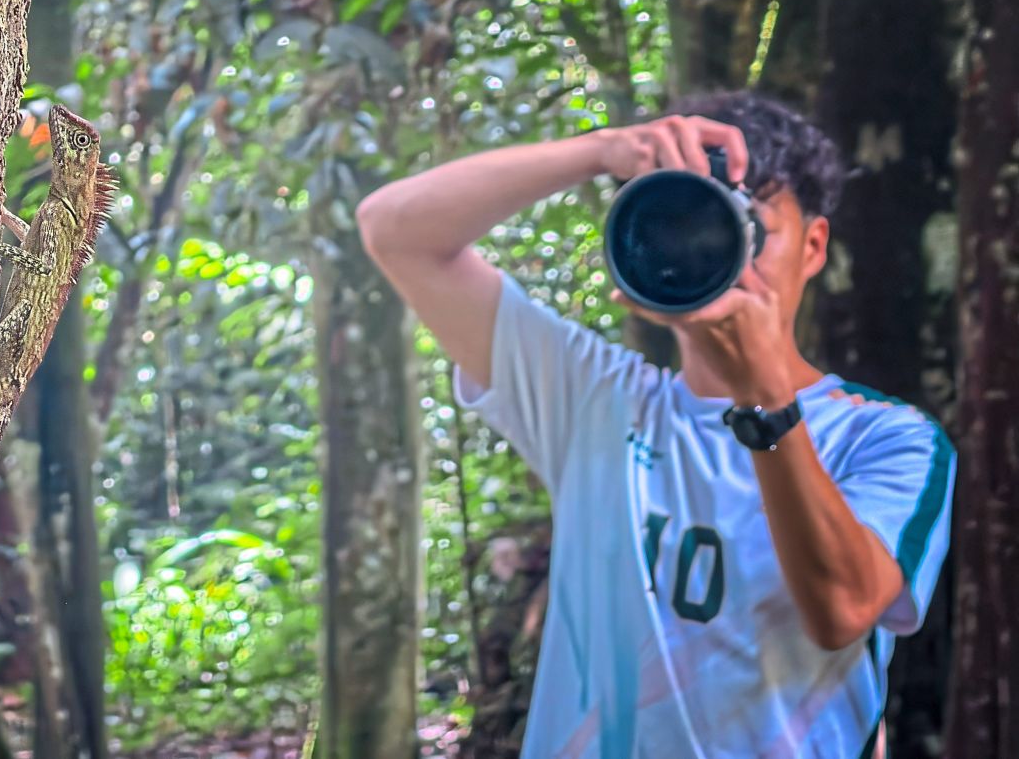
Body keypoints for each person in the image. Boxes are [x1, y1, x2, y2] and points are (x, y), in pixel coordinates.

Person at [355, 90, 955, 759]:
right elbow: (393, 230)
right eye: (690, 220)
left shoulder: (887, 438)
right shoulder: (593, 397)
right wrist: (603, 150)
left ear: (813, 248)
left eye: (748, 223)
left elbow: (842, 610)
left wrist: (765, 401)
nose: (719, 249)